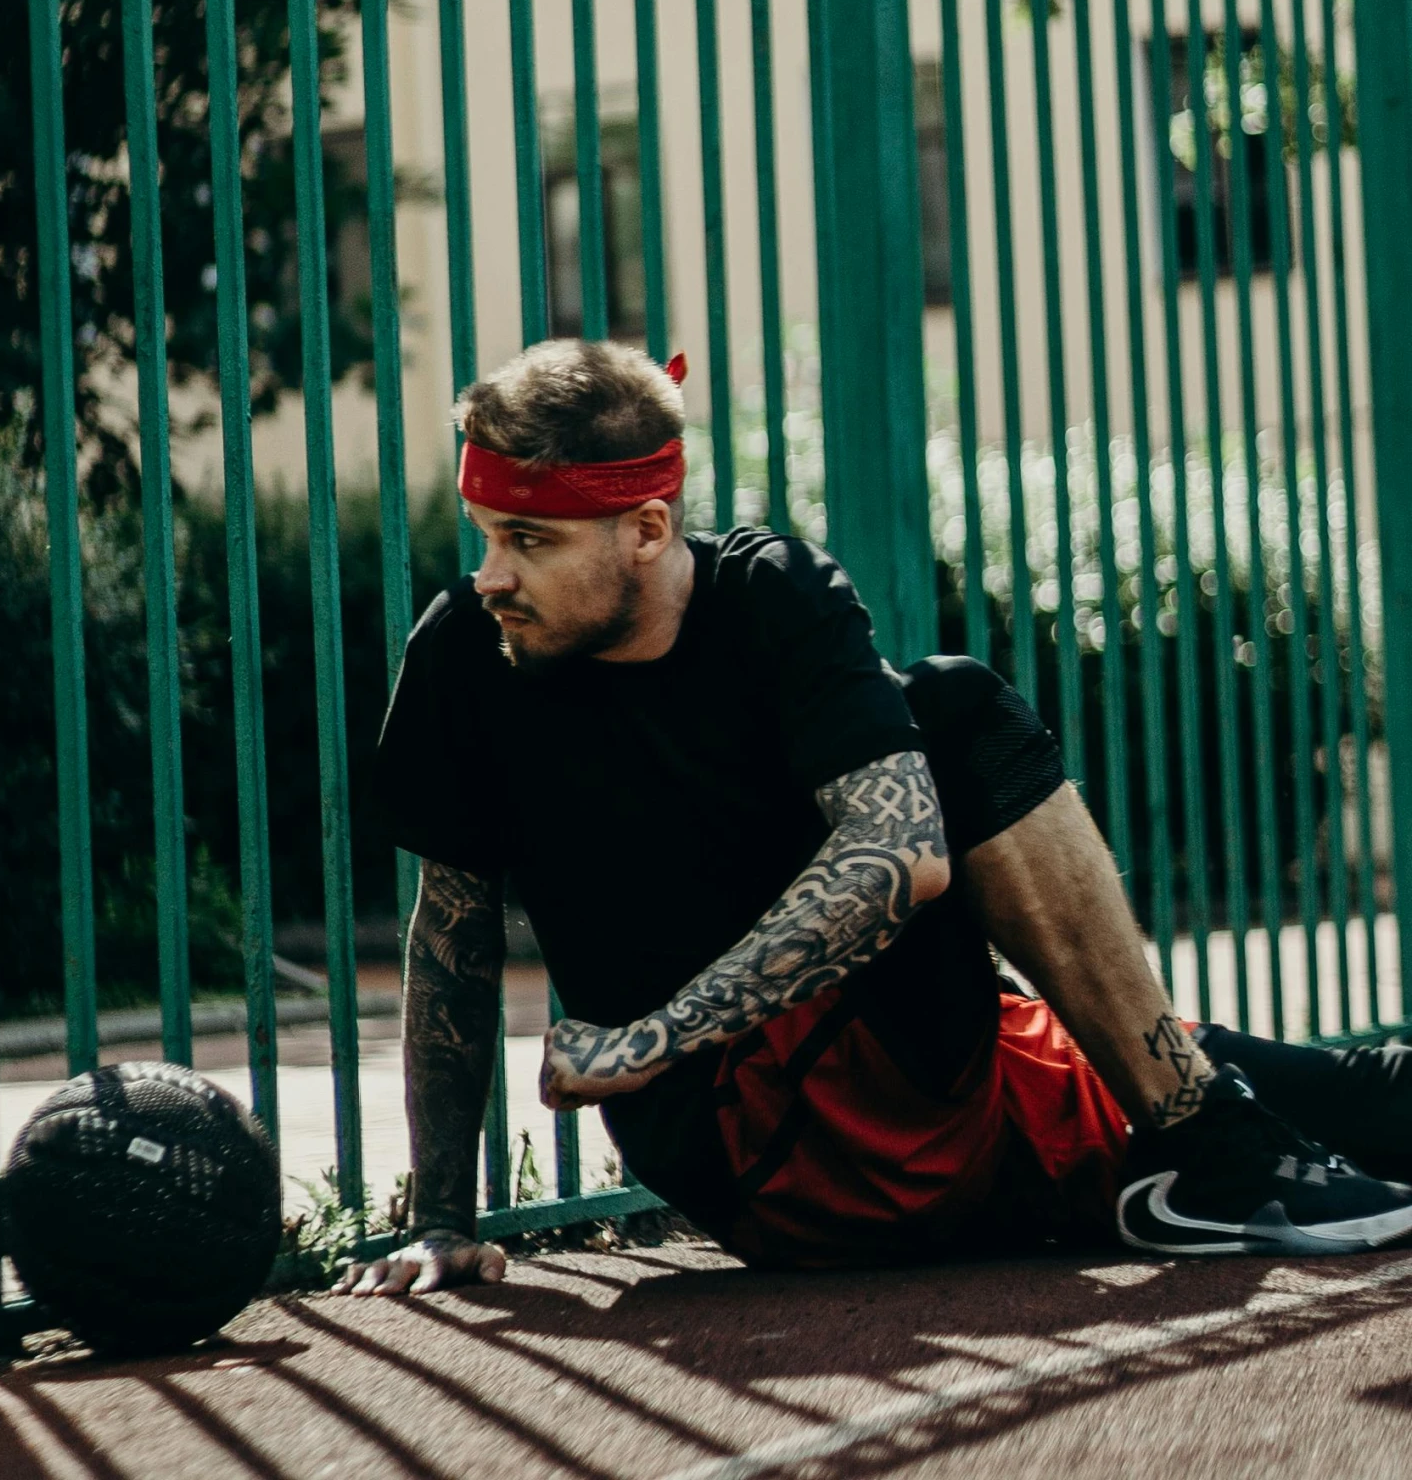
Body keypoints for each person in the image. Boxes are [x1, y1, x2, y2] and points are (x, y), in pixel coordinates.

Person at [335, 340, 1412, 1299]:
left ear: (646, 529)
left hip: (931, 1066)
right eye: (484, 536)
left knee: (1354, 1095)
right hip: (745, 1142)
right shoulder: (464, 659)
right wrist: (440, 1219)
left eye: (527, 539)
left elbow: (894, 855)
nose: (489, 577)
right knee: (954, 706)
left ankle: (1198, 1141)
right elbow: (451, 937)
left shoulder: (767, 596)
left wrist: (644, 1038)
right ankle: (1200, 1141)